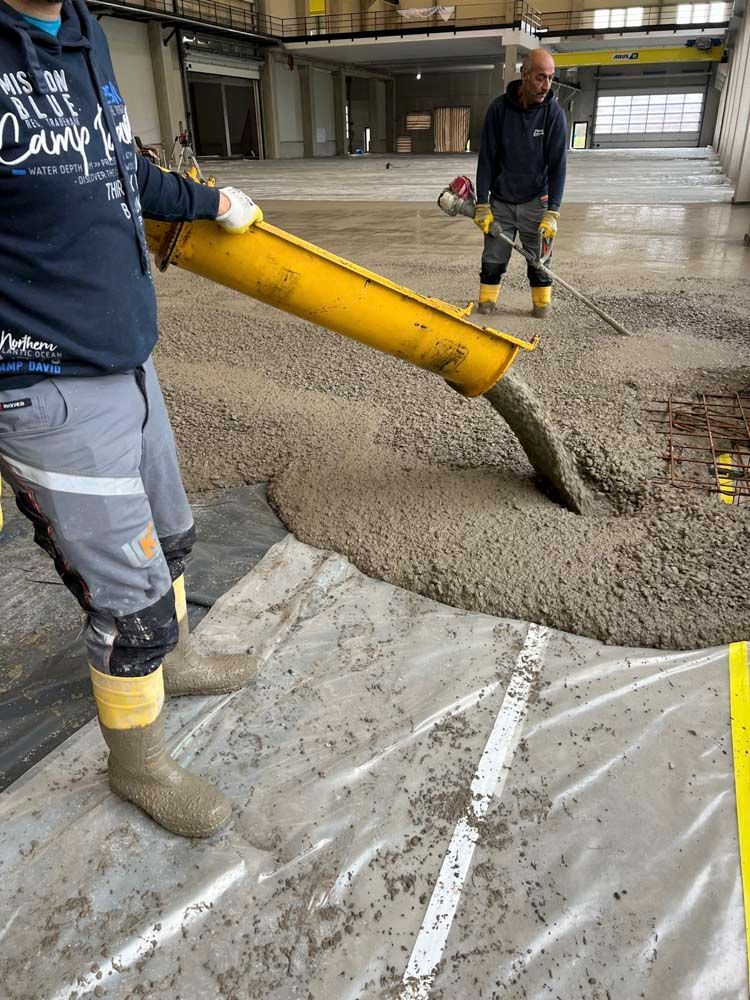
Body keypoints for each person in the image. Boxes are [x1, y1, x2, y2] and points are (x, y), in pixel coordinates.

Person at [0, 0, 264, 837]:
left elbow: (119, 166)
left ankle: (178, 662)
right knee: (130, 603)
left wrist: (206, 198)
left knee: (173, 535)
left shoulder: (84, 32)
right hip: (41, 381)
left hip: (126, 353)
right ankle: (137, 765)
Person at [474, 49, 567, 318]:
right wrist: (482, 204)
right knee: (493, 259)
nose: (546, 86)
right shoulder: (499, 110)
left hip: (536, 202)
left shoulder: (554, 115)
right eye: (540, 78)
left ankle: (541, 306)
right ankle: (487, 303)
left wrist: (553, 212)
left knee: (540, 261)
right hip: (501, 202)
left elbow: (558, 166)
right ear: (524, 75)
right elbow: (487, 161)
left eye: (550, 78)